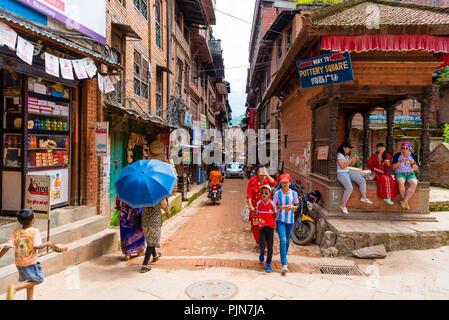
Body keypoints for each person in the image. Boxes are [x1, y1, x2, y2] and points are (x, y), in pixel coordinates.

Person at [0, 209, 63, 300]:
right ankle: (15, 288)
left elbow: (6, 247)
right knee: (39, 279)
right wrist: (49, 243)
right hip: (31, 262)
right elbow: (37, 246)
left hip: (19, 263)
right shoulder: (34, 231)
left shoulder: (15, 233)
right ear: (32, 220)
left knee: (31, 281)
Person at [336, 141, 373, 215]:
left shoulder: (345, 155)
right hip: (341, 173)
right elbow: (342, 167)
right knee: (349, 188)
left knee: (361, 179)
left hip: (347, 172)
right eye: (348, 148)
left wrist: (354, 161)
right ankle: (343, 205)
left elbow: (349, 165)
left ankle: (364, 197)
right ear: (344, 148)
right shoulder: (340, 155)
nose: (349, 149)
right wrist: (350, 160)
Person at [273, 173, 299, 275]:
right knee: (283, 240)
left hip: (290, 221)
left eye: (286, 182)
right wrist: (281, 207)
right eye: (283, 183)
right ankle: (284, 263)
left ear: (290, 182)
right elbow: (273, 205)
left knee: (287, 241)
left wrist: (292, 208)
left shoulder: (294, 194)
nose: (284, 184)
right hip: (280, 220)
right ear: (281, 183)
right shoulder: (277, 194)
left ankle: (284, 256)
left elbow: (296, 205)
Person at [247, 165, 277, 245]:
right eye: (260, 171)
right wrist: (250, 204)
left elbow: (274, 183)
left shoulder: (267, 179)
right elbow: (249, 193)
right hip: (255, 208)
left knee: (267, 226)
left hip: (267, 208)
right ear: (256, 172)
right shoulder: (252, 180)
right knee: (256, 226)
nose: (261, 174)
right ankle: (259, 242)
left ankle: (265, 244)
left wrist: (267, 174)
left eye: (263, 171)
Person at [140, 199, 170, 273]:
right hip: (154, 221)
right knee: (151, 242)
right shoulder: (158, 194)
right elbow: (164, 205)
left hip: (145, 220)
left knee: (150, 239)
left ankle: (155, 255)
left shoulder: (142, 194)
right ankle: (144, 265)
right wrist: (167, 211)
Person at [392, 142, 420, 210]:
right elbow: (393, 167)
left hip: (410, 173)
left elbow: (416, 169)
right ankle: (405, 202)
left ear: (409, 149)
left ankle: (404, 201)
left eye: (405, 149)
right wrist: (399, 162)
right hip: (400, 173)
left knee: (414, 183)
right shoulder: (397, 155)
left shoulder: (413, 156)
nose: (404, 150)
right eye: (402, 149)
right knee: (401, 182)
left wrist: (413, 163)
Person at [256, 185, 277, 273]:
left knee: (270, 247)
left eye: (266, 193)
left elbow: (275, 214)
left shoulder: (272, 204)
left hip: (270, 227)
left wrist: (270, 221)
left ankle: (268, 264)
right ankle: (261, 252)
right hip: (261, 227)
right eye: (262, 192)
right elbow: (257, 214)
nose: (264, 194)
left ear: (269, 194)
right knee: (262, 244)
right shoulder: (258, 203)